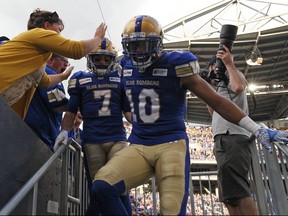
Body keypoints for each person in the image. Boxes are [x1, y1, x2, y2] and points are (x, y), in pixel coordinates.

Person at [85, 15, 288, 215]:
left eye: (143, 45)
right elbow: (102, 82)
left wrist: (256, 127)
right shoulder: (124, 66)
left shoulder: (177, 64)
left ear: (157, 43)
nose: (138, 52)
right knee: (102, 187)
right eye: (133, 45)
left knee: (171, 211)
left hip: (171, 145)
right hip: (139, 144)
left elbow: (216, 101)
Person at [53, 37, 132, 215]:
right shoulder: (80, 79)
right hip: (93, 140)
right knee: (98, 188)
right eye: (98, 58)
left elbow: (128, 112)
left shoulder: (120, 78)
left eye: (106, 59)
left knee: (120, 184)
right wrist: (64, 131)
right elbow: (71, 111)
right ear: (90, 59)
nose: (102, 62)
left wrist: (145, 125)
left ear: (112, 60)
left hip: (116, 138)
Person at [0, 8, 107, 119]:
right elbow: (76, 50)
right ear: (47, 25)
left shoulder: (36, 56)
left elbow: (45, 81)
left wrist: (63, 76)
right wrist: (98, 38)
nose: (60, 34)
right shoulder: (39, 33)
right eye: (59, 29)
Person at [205, 48, 258, 215]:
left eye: (210, 68)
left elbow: (238, 87)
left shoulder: (234, 75)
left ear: (215, 65)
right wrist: (210, 90)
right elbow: (213, 112)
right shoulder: (219, 85)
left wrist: (229, 63)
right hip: (222, 138)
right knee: (229, 196)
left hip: (233, 137)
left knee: (240, 191)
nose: (209, 72)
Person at [24, 54, 71, 151]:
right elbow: (57, 101)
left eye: (67, 63)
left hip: (33, 132)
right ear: (50, 60)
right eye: (64, 61)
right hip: (39, 136)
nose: (66, 65)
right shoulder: (49, 73)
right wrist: (79, 104)